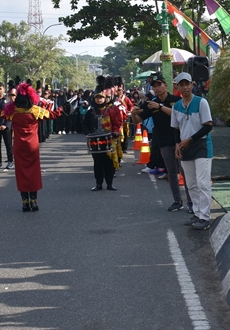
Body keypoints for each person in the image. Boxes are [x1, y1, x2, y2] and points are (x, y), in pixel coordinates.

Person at [0, 81, 63, 211]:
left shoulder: (13, 111)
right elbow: (53, 115)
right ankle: (34, 200)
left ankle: (25, 201)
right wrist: (62, 109)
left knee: (21, 173)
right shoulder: (35, 110)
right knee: (34, 173)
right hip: (32, 146)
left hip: (19, 146)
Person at [137, 76, 187, 211]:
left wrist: (160, 107)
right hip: (164, 143)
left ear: (166, 85)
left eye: (159, 85)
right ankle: (177, 201)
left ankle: (192, 203)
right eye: (154, 86)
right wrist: (133, 113)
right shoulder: (152, 103)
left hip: (180, 142)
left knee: (185, 172)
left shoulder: (176, 101)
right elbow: (137, 119)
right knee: (171, 173)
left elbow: (178, 115)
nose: (157, 88)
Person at [171, 72, 214, 230]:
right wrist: (178, 145)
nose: (185, 87)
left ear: (192, 84)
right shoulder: (176, 106)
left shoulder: (201, 102)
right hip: (185, 147)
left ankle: (205, 217)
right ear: (177, 87)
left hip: (201, 146)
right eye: (181, 85)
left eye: (187, 84)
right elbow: (176, 129)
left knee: (202, 183)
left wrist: (190, 139)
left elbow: (208, 126)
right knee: (191, 184)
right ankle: (197, 213)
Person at [91, 89, 125, 191]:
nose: (99, 100)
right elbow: (85, 125)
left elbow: (116, 123)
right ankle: (98, 184)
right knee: (97, 163)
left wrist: (115, 132)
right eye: (97, 98)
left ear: (105, 99)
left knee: (109, 163)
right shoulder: (91, 111)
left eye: (101, 98)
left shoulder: (111, 111)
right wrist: (88, 131)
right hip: (95, 141)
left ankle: (109, 184)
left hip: (109, 140)